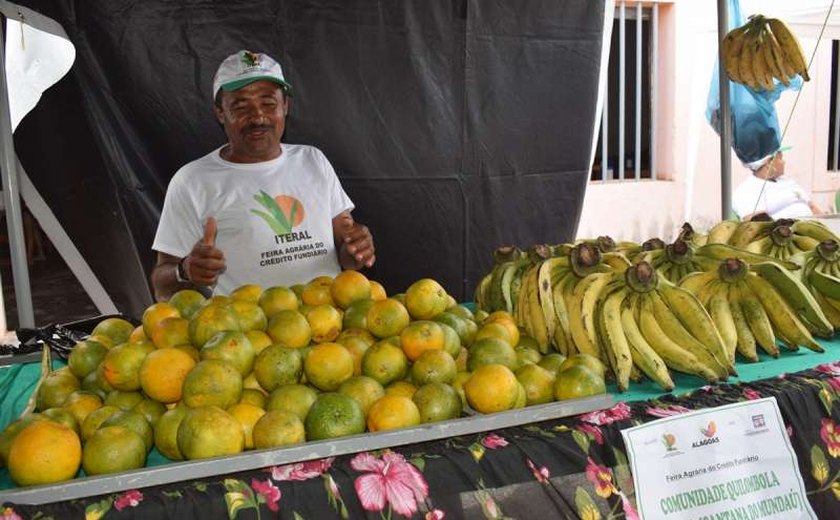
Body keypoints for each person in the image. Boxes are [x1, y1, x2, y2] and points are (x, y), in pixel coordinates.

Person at [151, 50, 375, 301]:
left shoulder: (313, 161)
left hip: (329, 329)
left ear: (285, 106)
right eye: (241, 106)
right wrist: (185, 271)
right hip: (246, 335)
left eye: (268, 104)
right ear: (220, 113)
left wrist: (357, 250)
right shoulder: (193, 181)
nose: (258, 117)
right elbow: (161, 286)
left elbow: (346, 251)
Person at [731, 148, 821, 221]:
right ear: (769, 163)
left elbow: (812, 207)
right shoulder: (747, 190)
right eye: (780, 158)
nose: (784, 162)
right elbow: (758, 226)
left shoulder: (787, 181)